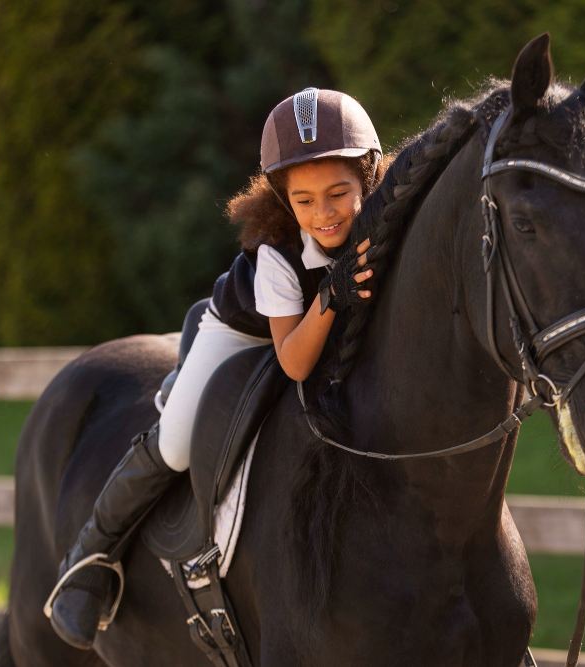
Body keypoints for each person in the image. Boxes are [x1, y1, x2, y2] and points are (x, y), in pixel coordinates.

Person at [46, 87, 384, 650]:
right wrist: (332, 296)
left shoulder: (382, 222)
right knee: (177, 442)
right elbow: (295, 360)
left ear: (369, 178)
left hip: (317, 325)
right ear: (282, 197)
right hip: (244, 333)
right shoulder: (277, 252)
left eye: (338, 193)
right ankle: (91, 555)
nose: (323, 214)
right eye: (303, 200)